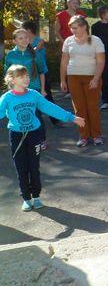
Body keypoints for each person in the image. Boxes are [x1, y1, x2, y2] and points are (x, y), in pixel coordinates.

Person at [1, 65, 85, 211]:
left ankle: (36, 197)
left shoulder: (33, 94)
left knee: (34, 167)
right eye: (22, 76)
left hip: (34, 135)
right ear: (12, 80)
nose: (27, 78)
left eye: (27, 75)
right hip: (16, 136)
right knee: (21, 168)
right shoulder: (7, 98)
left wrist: (71, 117)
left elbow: (49, 107)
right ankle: (26, 199)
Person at [60, 15, 106, 147]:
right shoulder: (68, 41)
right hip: (73, 77)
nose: (73, 31)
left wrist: (96, 78)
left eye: (75, 28)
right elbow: (64, 62)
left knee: (92, 107)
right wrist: (63, 80)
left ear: (84, 26)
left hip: (91, 77)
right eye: (71, 28)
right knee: (79, 108)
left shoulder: (95, 40)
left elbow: (101, 61)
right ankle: (84, 136)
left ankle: (96, 135)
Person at [4, 29, 50, 149]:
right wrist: (10, 91)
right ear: (14, 41)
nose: (24, 40)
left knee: (36, 116)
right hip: (17, 92)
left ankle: (41, 140)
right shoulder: (10, 55)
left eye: (26, 37)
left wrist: (43, 89)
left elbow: (41, 72)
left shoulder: (35, 53)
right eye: (21, 38)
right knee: (20, 115)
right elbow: (7, 75)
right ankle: (25, 141)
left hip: (34, 89)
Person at [21, 20, 56, 110]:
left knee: (47, 98)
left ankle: (56, 120)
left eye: (22, 29)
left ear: (28, 30)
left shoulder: (40, 41)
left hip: (42, 73)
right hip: (29, 73)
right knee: (29, 97)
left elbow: (33, 53)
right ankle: (36, 120)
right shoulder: (24, 42)